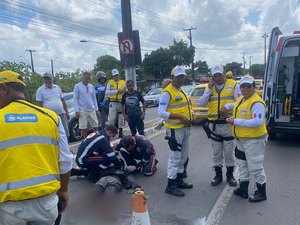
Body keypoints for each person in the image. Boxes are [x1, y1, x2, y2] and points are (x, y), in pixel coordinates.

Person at [0, 70, 73, 225]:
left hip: (9, 207)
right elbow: (65, 160)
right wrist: (64, 190)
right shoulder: (50, 117)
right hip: (46, 203)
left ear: (4, 89)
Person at [226, 75, 268, 202]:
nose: (245, 88)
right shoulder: (241, 99)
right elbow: (234, 105)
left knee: (255, 166)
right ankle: (243, 189)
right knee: (242, 164)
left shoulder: (256, 102)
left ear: (253, 87)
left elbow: (257, 121)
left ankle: (261, 192)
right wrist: (226, 107)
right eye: (242, 86)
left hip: (254, 140)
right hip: (241, 140)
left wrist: (235, 121)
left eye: (248, 86)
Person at [197, 65, 241, 187]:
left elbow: (240, 101)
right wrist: (208, 90)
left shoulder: (234, 84)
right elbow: (201, 103)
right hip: (214, 126)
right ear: (212, 77)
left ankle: (230, 175)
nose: (218, 77)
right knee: (216, 153)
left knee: (228, 152)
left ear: (224, 74)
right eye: (215, 75)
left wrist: (227, 106)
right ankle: (218, 175)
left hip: (228, 125)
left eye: (219, 75)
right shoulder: (210, 87)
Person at [158, 65, 194, 197]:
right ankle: (171, 185)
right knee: (175, 157)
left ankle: (179, 180)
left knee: (183, 156)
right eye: (178, 77)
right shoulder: (167, 92)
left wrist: (192, 114)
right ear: (172, 77)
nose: (181, 79)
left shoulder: (181, 90)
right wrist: (179, 116)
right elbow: (161, 112)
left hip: (184, 128)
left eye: (183, 76)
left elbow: (187, 107)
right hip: (174, 130)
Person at [36, 72, 70, 138]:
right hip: (49, 116)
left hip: (61, 114)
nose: (47, 80)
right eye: (45, 79)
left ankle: (66, 147)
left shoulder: (57, 88)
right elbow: (38, 105)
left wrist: (67, 112)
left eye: (48, 79)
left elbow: (62, 100)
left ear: (52, 79)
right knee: (53, 134)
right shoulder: (40, 90)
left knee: (65, 133)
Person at [73, 71, 99, 138]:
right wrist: (76, 110)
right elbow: (75, 98)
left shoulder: (91, 86)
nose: (88, 80)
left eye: (89, 78)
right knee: (84, 127)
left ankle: (96, 139)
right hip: (82, 109)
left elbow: (94, 98)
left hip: (91, 108)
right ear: (83, 77)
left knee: (95, 125)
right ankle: (85, 140)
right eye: (86, 78)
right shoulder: (77, 86)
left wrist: (96, 109)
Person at [107, 69, 126, 138]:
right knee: (111, 119)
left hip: (121, 102)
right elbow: (107, 92)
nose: (116, 77)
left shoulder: (123, 82)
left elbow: (126, 90)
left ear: (119, 75)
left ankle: (121, 132)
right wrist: (117, 91)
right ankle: (110, 133)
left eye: (117, 75)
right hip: (113, 103)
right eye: (114, 76)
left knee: (121, 118)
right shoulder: (110, 83)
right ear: (112, 76)